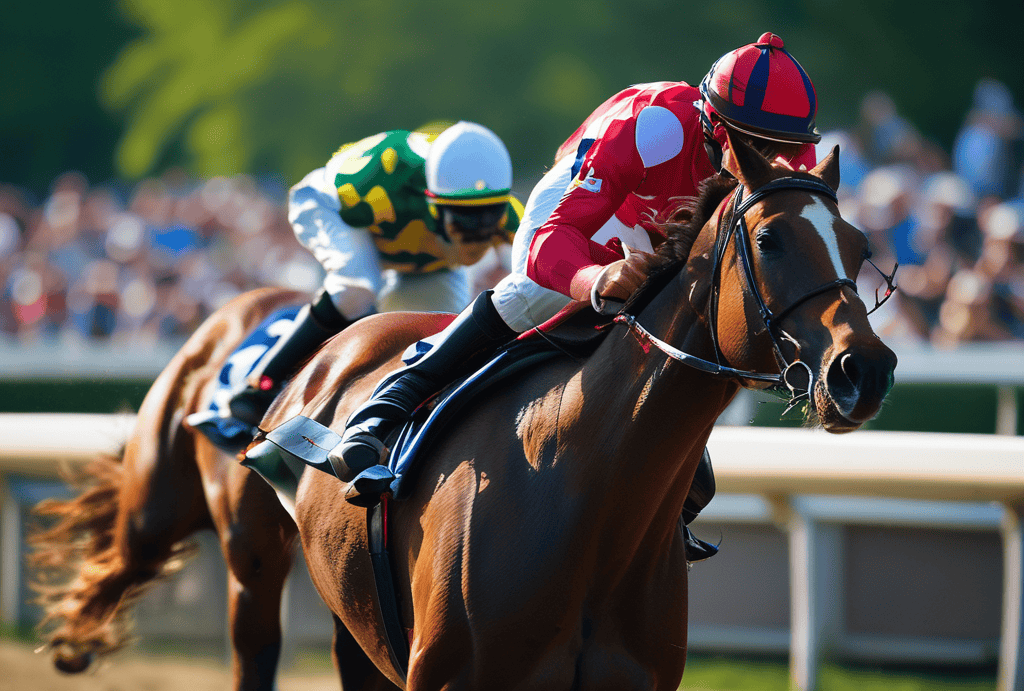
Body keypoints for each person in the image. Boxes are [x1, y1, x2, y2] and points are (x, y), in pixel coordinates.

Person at [336, 33, 822, 560]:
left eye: (781, 149)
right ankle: (388, 404)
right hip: (582, 215)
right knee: (535, 291)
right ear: (712, 122)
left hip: (663, 225)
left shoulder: (790, 152)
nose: (772, 162)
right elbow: (550, 244)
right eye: (756, 146)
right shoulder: (653, 127)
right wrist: (594, 279)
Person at [228, 121, 523, 423]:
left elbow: (532, 279)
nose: (480, 231)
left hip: (414, 252)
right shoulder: (381, 182)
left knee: (437, 332)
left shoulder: (507, 212)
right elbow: (327, 197)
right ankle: (263, 382)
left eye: (491, 214)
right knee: (355, 289)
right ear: (432, 202)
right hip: (338, 209)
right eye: (465, 218)